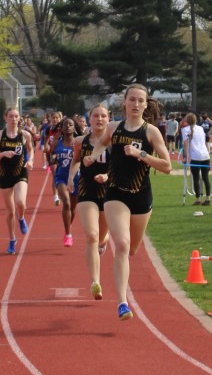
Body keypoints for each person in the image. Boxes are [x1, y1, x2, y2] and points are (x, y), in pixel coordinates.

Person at [83, 82, 172, 321]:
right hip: (116, 194)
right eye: (131, 99)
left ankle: (104, 242)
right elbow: (102, 142)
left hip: (141, 196)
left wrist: (141, 154)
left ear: (145, 105)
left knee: (132, 249)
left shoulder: (151, 132)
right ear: (124, 102)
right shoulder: (114, 127)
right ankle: (122, 302)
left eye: (140, 100)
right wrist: (93, 156)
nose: (135, 104)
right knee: (122, 245)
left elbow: (167, 166)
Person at [73, 104, 111, 298]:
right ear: (89, 118)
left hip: (109, 193)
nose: (99, 119)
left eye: (103, 116)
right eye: (96, 115)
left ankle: (104, 242)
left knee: (101, 237)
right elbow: (75, 161)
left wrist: (107, 176)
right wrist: (69, 179)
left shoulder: (114, 142)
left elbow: (121, 167)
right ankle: (96, 281)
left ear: (108, 119)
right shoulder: (81, 141)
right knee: (92, 236)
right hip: (86, 191)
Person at [0, 106, 33, 253]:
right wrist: (3, 154)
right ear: (5, 118)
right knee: (10, 211)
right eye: (11, 116)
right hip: (5, 174)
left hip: (21, 172)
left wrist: (31, 160)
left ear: (19, 118)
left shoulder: (25, 134)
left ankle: (21, 218)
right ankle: (12, 240)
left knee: (20, 202)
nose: (14, 119)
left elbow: (31, 150)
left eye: (16, 116)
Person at [51, 117, 78, 246]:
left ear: (74, 128)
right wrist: (53, 160)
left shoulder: (78, 142)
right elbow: (51, 156)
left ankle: (68, 226)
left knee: (73, 208)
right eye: (65, 124)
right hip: (61, 177)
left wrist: (76, 151)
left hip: (76, 177)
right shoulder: (57, 143)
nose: (68, 126)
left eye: (70, 124)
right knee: (66, 203)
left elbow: (85, 158)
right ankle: (68, 235)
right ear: (61, 128)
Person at [181, 111, 211, 202]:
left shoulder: (185, 130)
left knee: (196, 178)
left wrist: (185, 157)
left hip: (195, 157)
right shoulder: (200, 128)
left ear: (187, 121)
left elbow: (185, 145)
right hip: (205, 155)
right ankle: (208, 198)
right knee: (205, 177)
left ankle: (198, 199)